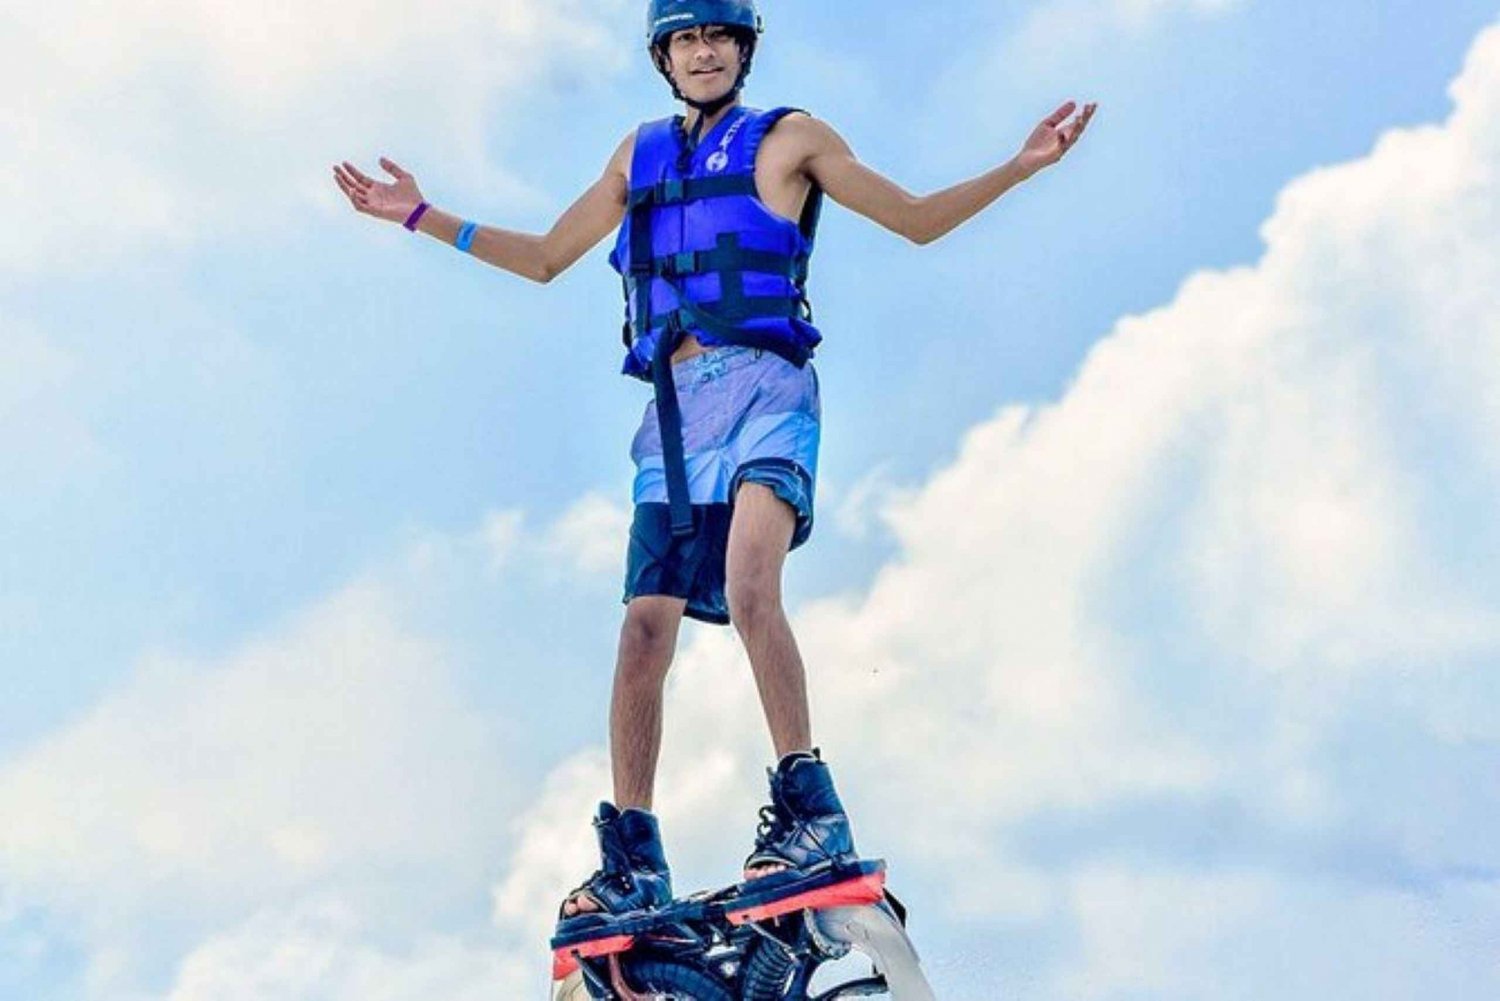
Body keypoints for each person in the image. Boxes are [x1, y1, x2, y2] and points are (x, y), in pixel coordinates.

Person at [333, 0, 1095, 929]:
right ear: (665, 57)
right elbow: (542, 258)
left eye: (717, 37)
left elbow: (919, 220)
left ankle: (810, 808)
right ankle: (633, 859)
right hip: (674, 414)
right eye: (686, 39)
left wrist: (1021, 167)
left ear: (742, 50)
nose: (703, 52)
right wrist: (416, 212)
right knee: (643, 633)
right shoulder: (638, 154)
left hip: (768, 394)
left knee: (747, 588)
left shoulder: (792, 139)